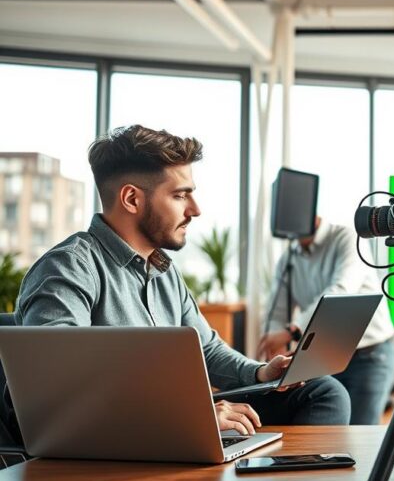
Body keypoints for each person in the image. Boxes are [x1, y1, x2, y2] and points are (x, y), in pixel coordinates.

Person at [5, 126, 351, 442]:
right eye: (180, 195)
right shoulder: (68, 268)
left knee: (322, 391)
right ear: (131, 199)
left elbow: (207, 350)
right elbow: (60, 390)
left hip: (168, 416)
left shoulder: (164, 272)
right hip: (111, 433)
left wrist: (261, 372)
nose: (196, 209)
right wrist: (191, 416)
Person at [257, 216, 394, 425]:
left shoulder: (346, 238)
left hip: (370, 355)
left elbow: (340, 291)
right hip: (326, 357)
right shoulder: (289, 258)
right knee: (329, 434)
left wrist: (292, 331)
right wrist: (274, 342)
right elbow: (276, 310)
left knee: (360, 433)